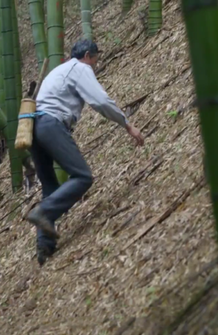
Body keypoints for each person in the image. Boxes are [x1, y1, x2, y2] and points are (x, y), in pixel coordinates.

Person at [26, 38, 145, 266]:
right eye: (95, 60)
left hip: (33, 128)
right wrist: (127, 124)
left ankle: (45, 247)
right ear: (88, 55)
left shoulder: (59, 70)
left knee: (50, 186)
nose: (95, 65)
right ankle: (43, 211)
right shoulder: (80, 68)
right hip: (51, 125)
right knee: (82, 176)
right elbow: (100, 100)